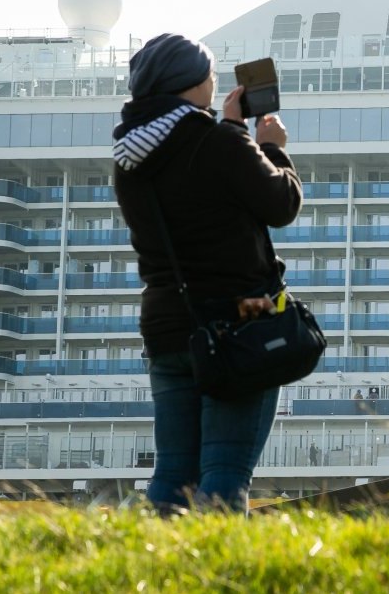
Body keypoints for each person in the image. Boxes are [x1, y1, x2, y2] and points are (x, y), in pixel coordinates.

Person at [112, 33, 302, 514]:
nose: (215, 85)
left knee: (174, 474)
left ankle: (152, 577)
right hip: (236, 324)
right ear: (193, 84)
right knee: (225, 472)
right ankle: (211, 581)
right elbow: (281, 204)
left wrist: (234, 136)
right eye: (211, 76)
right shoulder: (217, 141)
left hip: (167, 329)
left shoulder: (129, 161)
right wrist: (270, 148)